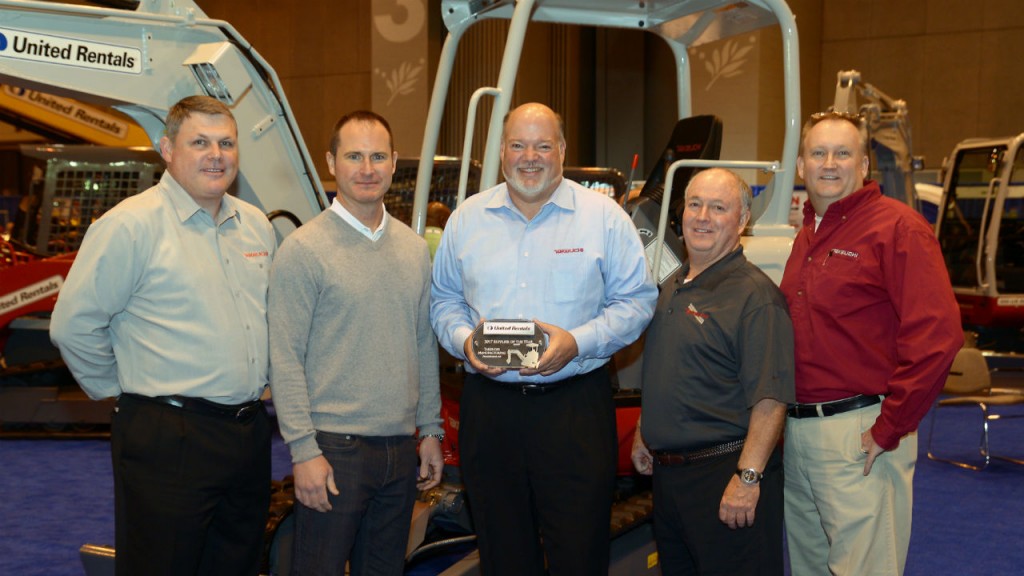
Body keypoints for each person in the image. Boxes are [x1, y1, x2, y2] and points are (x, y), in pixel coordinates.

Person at [49, 95, 276, 576]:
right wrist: (124, 391)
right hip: (167, 435)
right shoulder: (130, 225)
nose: (216, 154)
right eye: (200, 142)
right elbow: (73, 324)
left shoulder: (255, 225)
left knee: (236, 563)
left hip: (248, 432)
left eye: (226, 142)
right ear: (167, 149)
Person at [430, 102, 658, 576]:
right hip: (489, 412)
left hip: (573, 410)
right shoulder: (466, 221)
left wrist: (578, 341)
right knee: (502, 552)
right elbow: (443, 301)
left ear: (562, 151)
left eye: (542, 145)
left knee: (579, 553)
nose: (529, 157)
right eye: (518, 145)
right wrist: (462, 341)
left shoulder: (604, 219)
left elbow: (637, 301)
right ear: (501, 152)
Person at [779, 110, 962, 575]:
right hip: (798, 434)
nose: (830, 163)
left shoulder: (897, 229)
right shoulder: (807, 236)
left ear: (864, 166)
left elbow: (938, 337)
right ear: (801, 165)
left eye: (844, 153)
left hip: (859, 433)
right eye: (818, 153)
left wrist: (890, 426)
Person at [268, 110, 444, 576]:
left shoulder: (412, 249)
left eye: (377, 156)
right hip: (334, 451)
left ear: (393, 163)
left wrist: (430, 429)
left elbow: (424, 344)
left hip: (399, 451)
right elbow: (284, 357)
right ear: (331, 162)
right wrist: (303, 451)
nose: (367, 168)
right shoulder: (303, 250)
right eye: (354, 156)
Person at [630, 168, 794, 575]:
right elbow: (668, 367)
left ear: (741, 222)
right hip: (670, 482)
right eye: (695, 204)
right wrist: (644, 431)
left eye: (718, 208)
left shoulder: (756, 297)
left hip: (726, 478)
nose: (702, 216)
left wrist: (748, 478)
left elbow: (771, 400)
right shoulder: (673, 284)